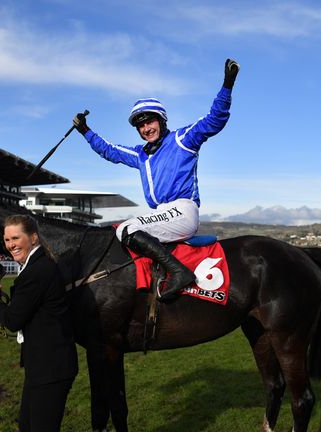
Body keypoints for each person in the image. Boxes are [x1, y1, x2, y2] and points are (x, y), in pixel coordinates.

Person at [72, 58, 239, 301]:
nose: (145, 128)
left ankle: (180, 273)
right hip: (164, 213)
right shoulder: (140, 155)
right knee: (120, 230)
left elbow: (215, 119)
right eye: (140, 126)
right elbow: (110, 151)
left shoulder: (183, 139)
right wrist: (86, 132)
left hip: (183, 210)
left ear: (161, 120)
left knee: (128, 228)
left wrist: (227, 85)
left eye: (149, 121)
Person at [0, 214, 78, 431]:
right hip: (44, 366)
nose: (11, 245)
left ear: (33, 238)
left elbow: (12, 320)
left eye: (16, 238)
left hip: (50, 369)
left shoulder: (37, 271)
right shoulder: (38, 265)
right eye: (7, 240)